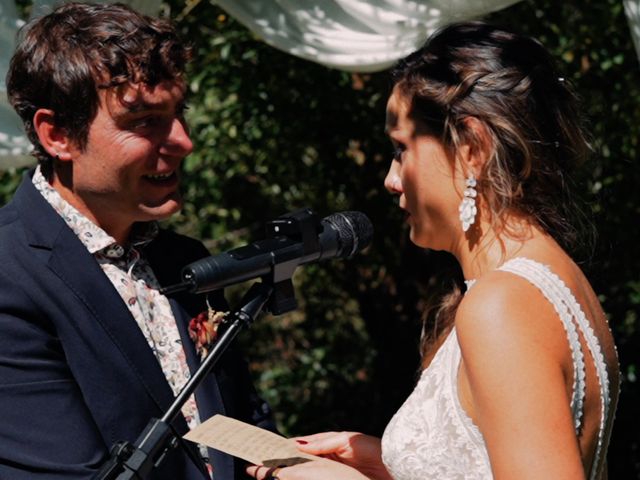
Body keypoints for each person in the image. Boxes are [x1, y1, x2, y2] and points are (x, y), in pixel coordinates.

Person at [246, 21, 620, 480]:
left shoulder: (501, 306)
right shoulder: (555, 281)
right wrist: (383, 459)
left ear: (472, 147)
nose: (390, 178)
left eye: (401, 148)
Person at [0, 3, 273, 479]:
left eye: (178, 112)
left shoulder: (186, 261)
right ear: (57, 134)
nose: (183, 140)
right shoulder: (8, 275)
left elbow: (237, 425)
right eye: (144, 120)